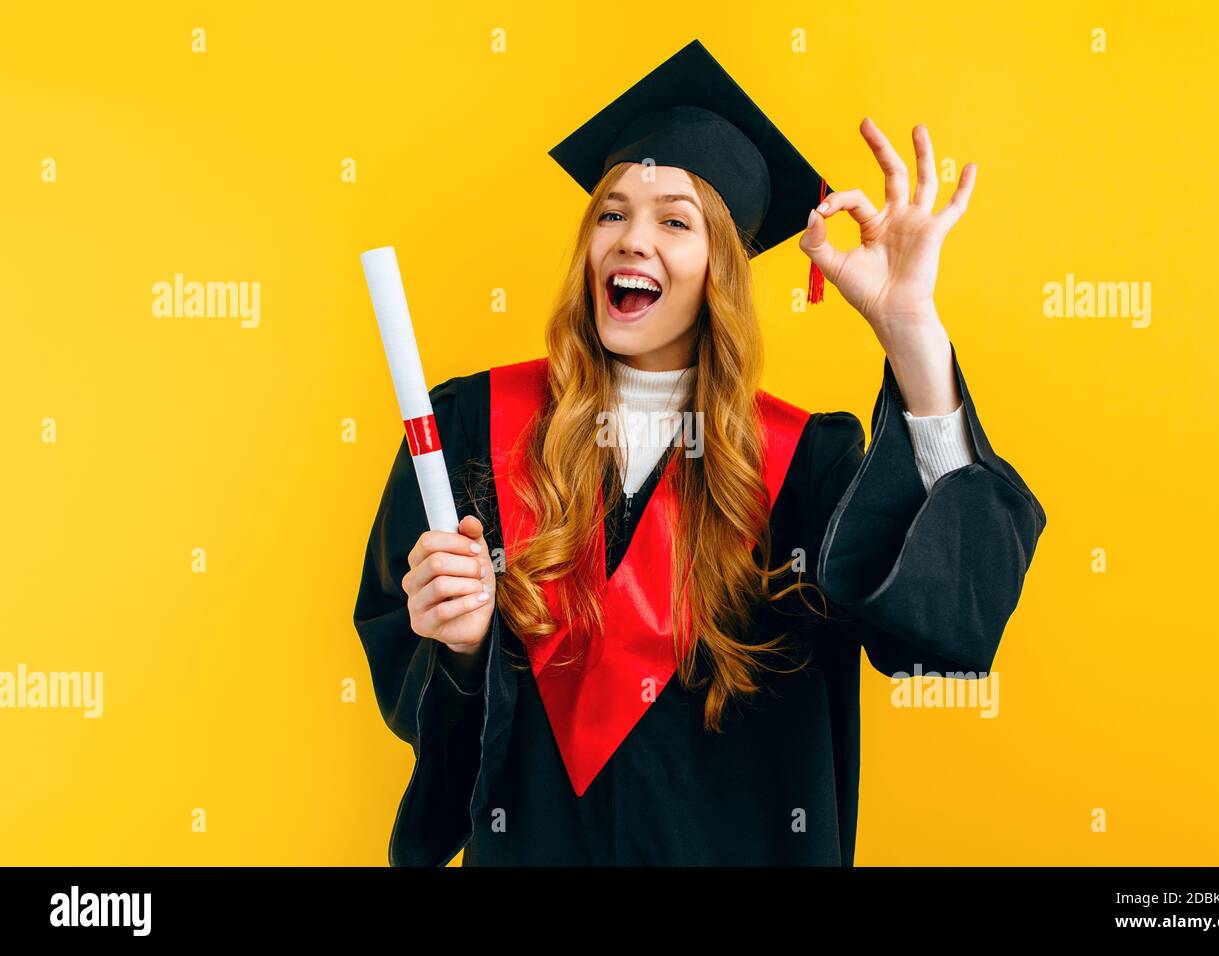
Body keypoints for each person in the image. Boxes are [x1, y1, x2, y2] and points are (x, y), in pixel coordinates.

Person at [353, 39, 1046, 866]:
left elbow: (948, 633)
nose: (630, 240)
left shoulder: (807, 467)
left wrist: (911, 335)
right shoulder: (471, 425)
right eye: (611, 213)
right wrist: (457, 647)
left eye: (674, 220)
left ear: (722, 268)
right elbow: (422, 707)